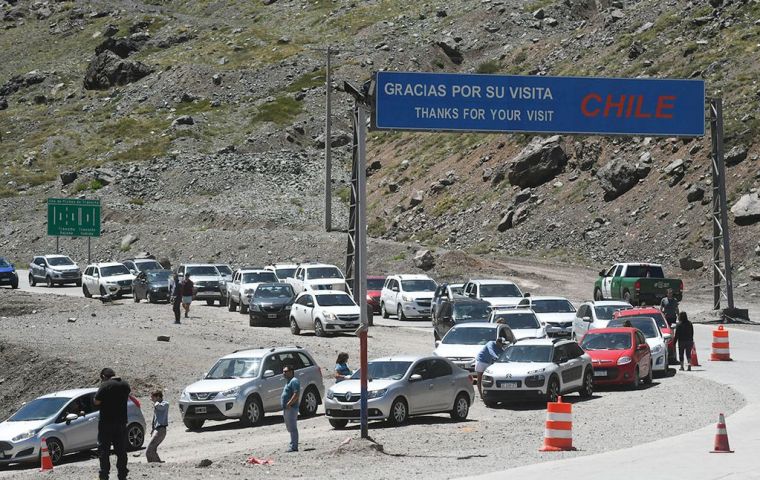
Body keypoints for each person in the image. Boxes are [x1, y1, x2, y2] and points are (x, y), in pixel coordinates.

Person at [94, 368, 131, 480]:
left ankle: (104, 475)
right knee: (121, 450)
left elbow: (96, 401)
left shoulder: (105, 385)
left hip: (106, 423)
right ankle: (122, 474)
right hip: (121, 422)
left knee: (104, 450)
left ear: (103, 376)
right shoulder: (125, 385)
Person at [145, 390, 169, 463]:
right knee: (152, 449)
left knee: (149, 450)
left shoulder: (165, 404)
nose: (151, 399)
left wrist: (156, 402)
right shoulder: (157, 405)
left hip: (161, 430)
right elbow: (155, 419)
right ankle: (157, 463)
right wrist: (153, 429)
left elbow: (159, 407)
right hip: (157, 429)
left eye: (153, 397)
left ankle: (156, 464)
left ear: (158, 397)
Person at [281, 364, 300, 452]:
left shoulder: (294, 381)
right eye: (283, 371)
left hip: (291, 408)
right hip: (287, 408)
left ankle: (294, 446)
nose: (283, 373)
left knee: (292, 427)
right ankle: (293, 444)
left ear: (291, 372)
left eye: (285, 371)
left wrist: (289, 403)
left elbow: (296, 394)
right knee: (290, 427)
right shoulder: (289, 381)